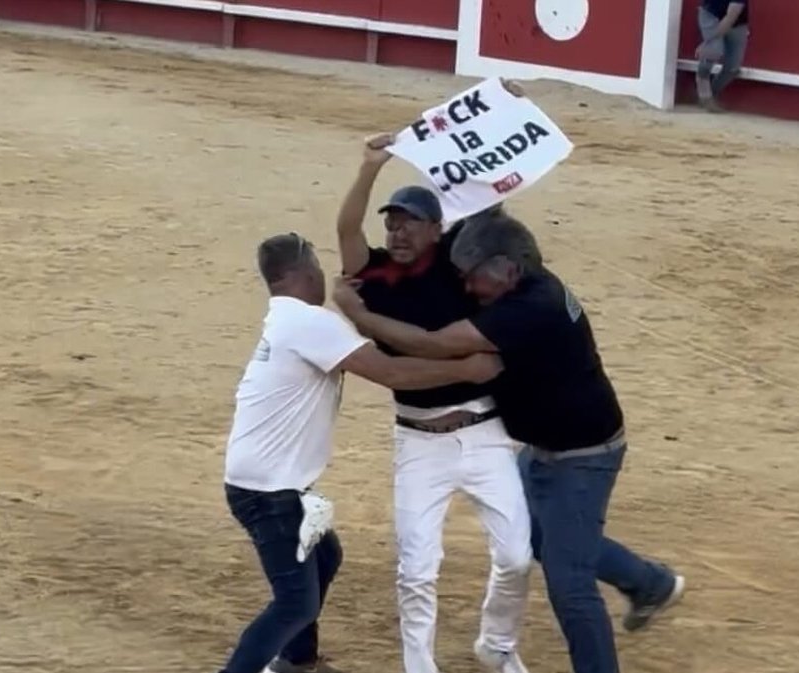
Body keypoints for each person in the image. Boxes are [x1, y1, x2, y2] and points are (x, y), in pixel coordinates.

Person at [331, 210, 686, 673]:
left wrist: (359, 314)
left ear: (509, 269)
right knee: (539, 538)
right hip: (541, 446)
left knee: (569, 583)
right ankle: (649, 584)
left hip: (582, 459)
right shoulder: (515, 280)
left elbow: (434, 344)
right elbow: (471, 212)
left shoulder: (530, 309)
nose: (468, 289)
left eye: (474, 278)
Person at [219, 233, 503, 673]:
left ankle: (296, 660)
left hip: (263, 482)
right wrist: (467, 368)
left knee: (324, 557)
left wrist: (358, 310)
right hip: (269, 492)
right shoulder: (309, 323)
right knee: (295, 603)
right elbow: (390, 371)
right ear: (304, 273)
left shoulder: (286, 320)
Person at [335, 135, 531, 673]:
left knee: (516, 556)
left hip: (486, 433)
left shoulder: (455, 266)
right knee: (416, 570)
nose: (397, 232)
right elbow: (347, 229)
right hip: (418, 440)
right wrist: (369, 167)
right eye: (392, 223)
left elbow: (490, 204)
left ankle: (497, 645)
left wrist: (502, 124)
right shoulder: (371, 276)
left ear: (436, 228)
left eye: (409, 222)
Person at [695, 0, 749, 112]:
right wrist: (708, 43)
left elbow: (730, 18)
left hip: (737, 23)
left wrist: (707, 42)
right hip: (711, 15)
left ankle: (710, 94)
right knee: (713, 51)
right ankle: (705, 96)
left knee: (733, 67)